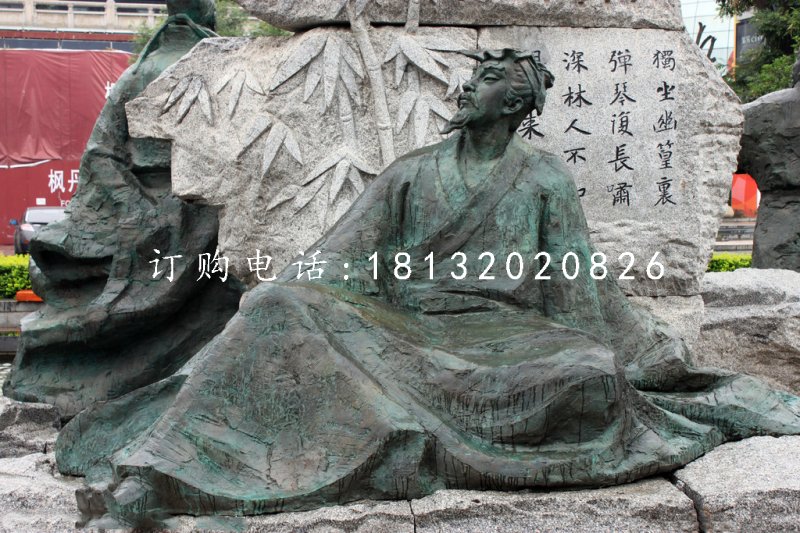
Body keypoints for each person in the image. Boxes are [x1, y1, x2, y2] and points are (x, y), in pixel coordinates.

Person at [56, 49, 800, 528]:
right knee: (280, 306)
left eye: (483, 82)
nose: (465, 89)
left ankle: (399, 438)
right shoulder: (411, 173)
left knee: (589, 372)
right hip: (406, 321)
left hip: (503, 331)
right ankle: (159, 472)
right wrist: (282, 292)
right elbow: (338, 257)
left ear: (514, 105)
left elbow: (581, 287)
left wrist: (648, 354)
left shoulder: (543, 179)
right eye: (469, 80)